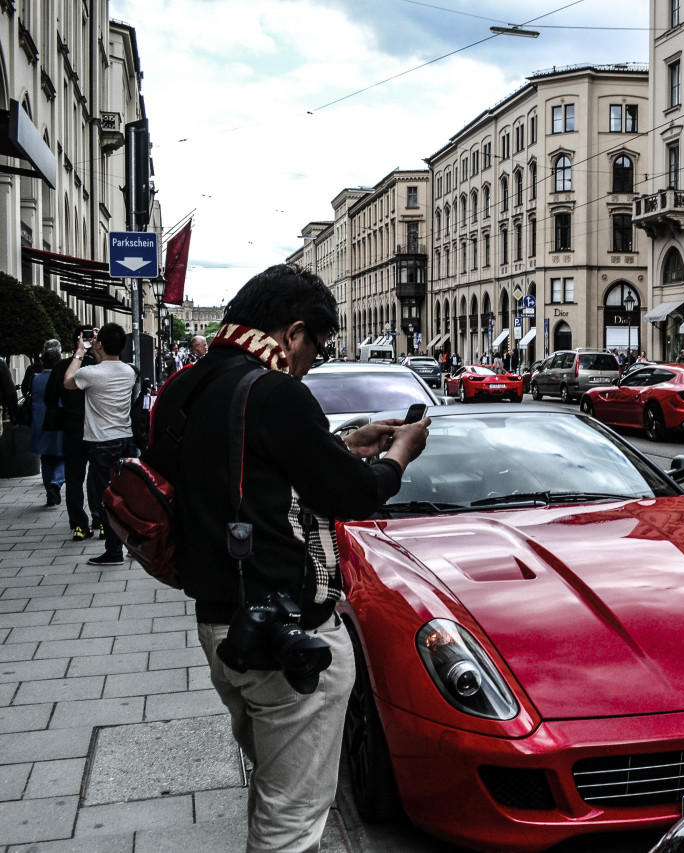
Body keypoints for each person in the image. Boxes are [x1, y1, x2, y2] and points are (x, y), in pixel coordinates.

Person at [151, 264, 428, 852]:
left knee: (274, 787)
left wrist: (341, 446)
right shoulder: (276, 392)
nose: (311, 363)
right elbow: (351, 495)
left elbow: (232, 474)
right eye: (316, 349)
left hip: (222, 622)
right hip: (286, 632)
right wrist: (397, 457)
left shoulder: (186, 385)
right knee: (293, 823)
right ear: (293, 332)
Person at [64, 323, 137, 565]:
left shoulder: (91, 374)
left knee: (108, 496)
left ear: (100, 344)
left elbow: (68, 381)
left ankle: (113, 551)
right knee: (125, 495)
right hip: (125, 439)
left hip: (102, 442)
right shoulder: (129, 371)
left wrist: (80, 352)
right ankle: (131, 544)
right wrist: (98, 349)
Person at [46, 344, 103, 540]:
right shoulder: (99, 364)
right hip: (96, 428)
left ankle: (79, 525)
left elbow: (50, 398)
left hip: (72, 428)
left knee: (74, 479)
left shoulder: (62, 366)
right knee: (99, 477)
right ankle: (102, 520)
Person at [30, 341, 64, 507]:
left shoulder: (35, 379)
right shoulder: (62, 378)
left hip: (40, 422)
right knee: (62, 455)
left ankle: (49, 492)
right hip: (58, 421)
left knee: (46, 458)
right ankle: (55, 483)